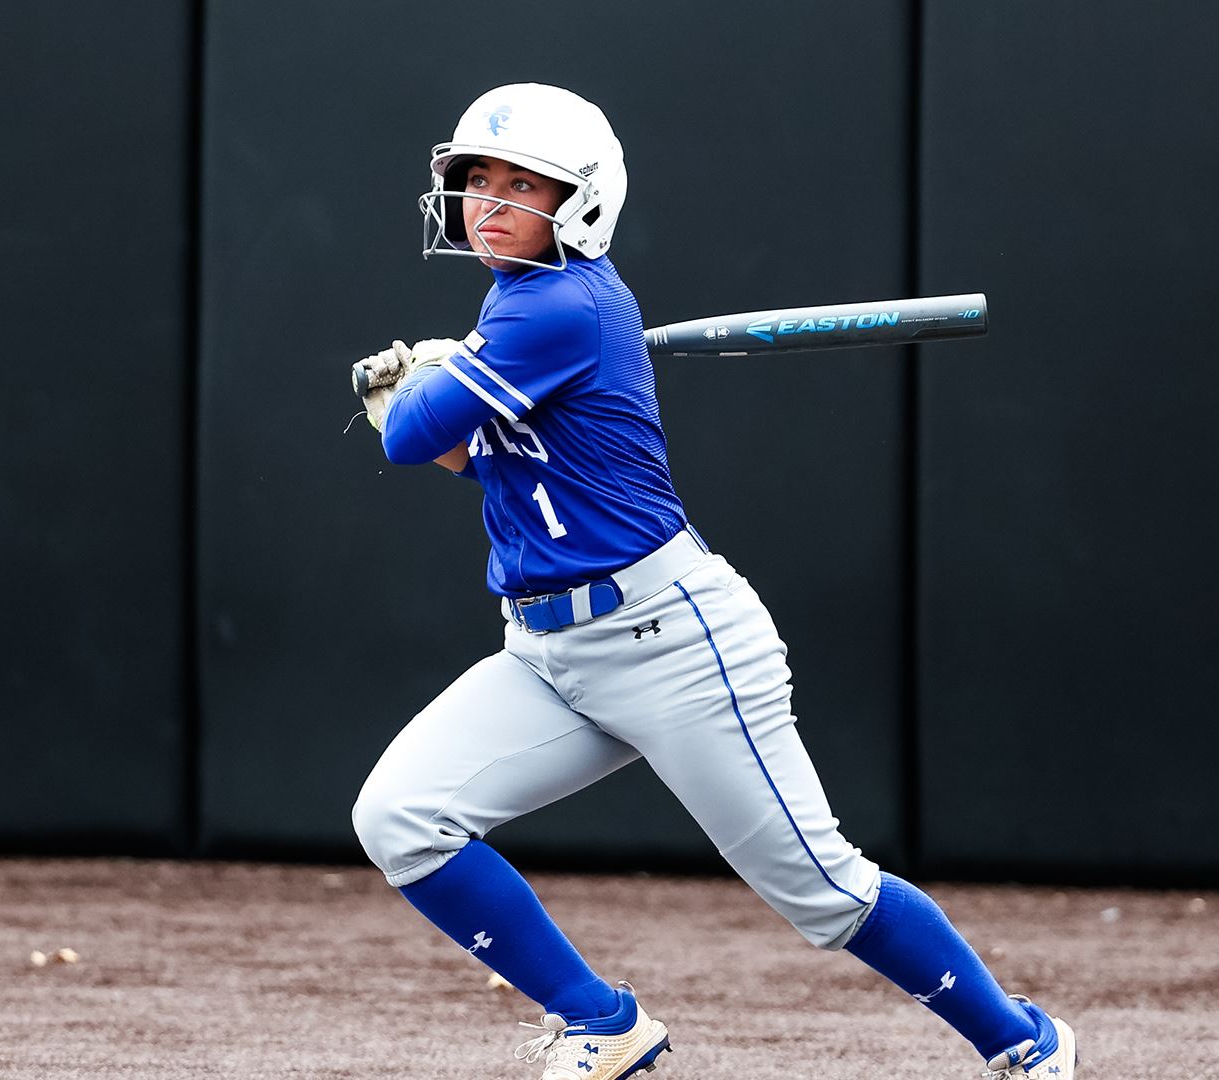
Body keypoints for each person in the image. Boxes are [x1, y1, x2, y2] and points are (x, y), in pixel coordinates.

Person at [348, 82, 1077, 1080]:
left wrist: (425, 394)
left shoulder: (557, 305)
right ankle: (603, 1023)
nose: (492, 202)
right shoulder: (522, 305)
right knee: (401, 818)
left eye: (525, 184)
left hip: (672, 643)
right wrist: (445, 395)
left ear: (584, 199)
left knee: (820, 889)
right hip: (550, 651)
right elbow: (480, 461)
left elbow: (412, 436)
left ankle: (1024, 1043)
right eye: (478, 181)